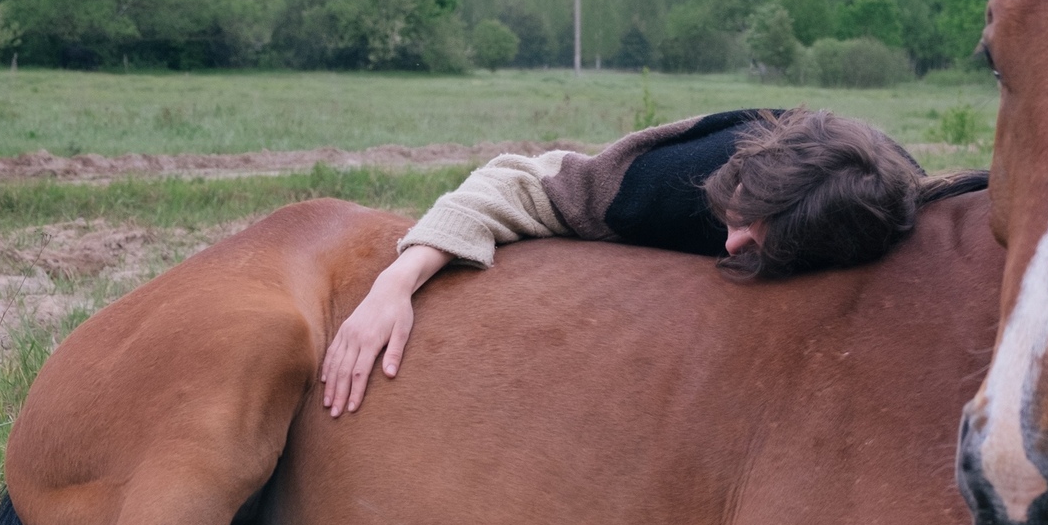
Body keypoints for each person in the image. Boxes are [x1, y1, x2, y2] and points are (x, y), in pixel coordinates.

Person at [319, 108, 951, 416]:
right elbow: (519, 182)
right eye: (736, 217)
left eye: (764, 243)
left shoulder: (879, 224)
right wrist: (396, 281)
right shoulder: (667, 180)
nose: (732, 244)